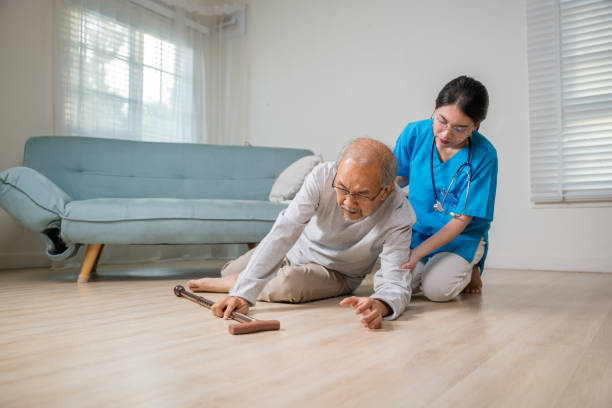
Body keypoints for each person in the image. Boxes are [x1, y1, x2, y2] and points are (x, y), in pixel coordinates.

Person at [187, 138, 416, 329]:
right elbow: (284, 230)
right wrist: (243, 292)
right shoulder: (322, 176)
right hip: (296, 250)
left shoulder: (400, 212)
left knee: (287, 283)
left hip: (336, 272)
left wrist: (381, 304)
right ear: (337, 173)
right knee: (229, 269)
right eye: (342, 188)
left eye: (362, 195)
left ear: (385, 191)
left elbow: (395, 281)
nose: (348, 202)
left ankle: (236, 282)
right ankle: (235, 279)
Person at [393, 75, 498, 301]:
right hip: (419, 231)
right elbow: (396, 179)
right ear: (435, 109)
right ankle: (431, 266)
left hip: (461, 235)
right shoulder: (415, 133)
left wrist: (416, 255)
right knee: (398, 282)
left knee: (437, 292)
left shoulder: (485, 156)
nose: (446, 134)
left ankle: (472, 268)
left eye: (460, 128)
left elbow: (461, 220)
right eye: (441, 120)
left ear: (476, 126)